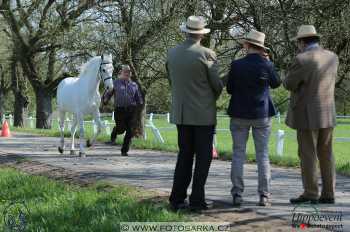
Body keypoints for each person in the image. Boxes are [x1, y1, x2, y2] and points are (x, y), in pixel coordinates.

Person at [166, 16, 223, 211]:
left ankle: (177, 198)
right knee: (203, 158)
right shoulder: (207, 54)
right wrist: (208, 98)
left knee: (184, 156)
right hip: (203, 114)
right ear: (201, 34)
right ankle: (197, 200)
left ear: (186, 32)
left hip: (181, 114)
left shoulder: (172, 53)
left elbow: (172, 82)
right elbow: (217, 86)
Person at [284, 25, 339, 204]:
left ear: (301, 42)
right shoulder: (332, 57)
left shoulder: (302, 59)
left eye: (297, 42)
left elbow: (289, 84)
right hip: (328, 112)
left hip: (307, 114)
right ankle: (329, 193)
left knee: (308, 154)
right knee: (327, 153)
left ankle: (311, 192)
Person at [226, 30, 281, 207]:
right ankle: (264, 195)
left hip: (239, 114)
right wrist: (268, 63)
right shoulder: (267, 64)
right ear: (261, 47)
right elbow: (276, 83)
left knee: (238, 154)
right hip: (261, 115)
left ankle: (237, 194)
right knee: (262, 155)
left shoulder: (236, 65)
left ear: (247, 45)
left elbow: (229, 89)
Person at [103, 64, 143, 156]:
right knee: (121, 129)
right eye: (125, 71)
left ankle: (124, 150)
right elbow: (109, 93)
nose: (127, 73)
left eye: (128, 72)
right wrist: (105, 100)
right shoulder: (115, 83)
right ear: (121, 73)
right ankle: (115, 130)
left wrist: (140, 103)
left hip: (131, 110)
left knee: (130, 130)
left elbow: (138, 97)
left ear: (130, 74)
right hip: (119, 110)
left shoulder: (134, 85)